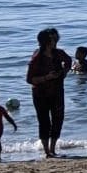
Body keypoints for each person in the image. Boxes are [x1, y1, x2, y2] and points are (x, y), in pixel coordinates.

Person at [25, 27, 72, 159]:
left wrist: (64, 72)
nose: (56, 40)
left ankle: (53, 149)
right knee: (44, 121)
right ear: (46, 41)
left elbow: (68, 61)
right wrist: (47, 77)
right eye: (53, 38)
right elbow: (29, 79)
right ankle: (47, 151)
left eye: (56, 37)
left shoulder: (59, 53)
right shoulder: (37, 58)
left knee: (58, 119)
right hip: (40, 94)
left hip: (57, 91)